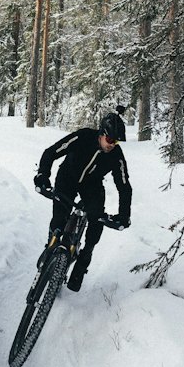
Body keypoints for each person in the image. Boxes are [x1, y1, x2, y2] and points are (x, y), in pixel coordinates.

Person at [34, 110, 131, 291]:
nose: (112, 145)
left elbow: (124, 186)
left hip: (92, 186)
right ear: (102, 134)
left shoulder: (116, 155)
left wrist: (124, 215)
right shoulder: (83, 137)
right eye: (110, 140)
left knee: (97, 219)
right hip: (67, 177)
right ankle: (52, 245)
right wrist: (42, 175)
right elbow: (52, 152)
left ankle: (84, 259)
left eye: (116, 142)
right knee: (59, 218)